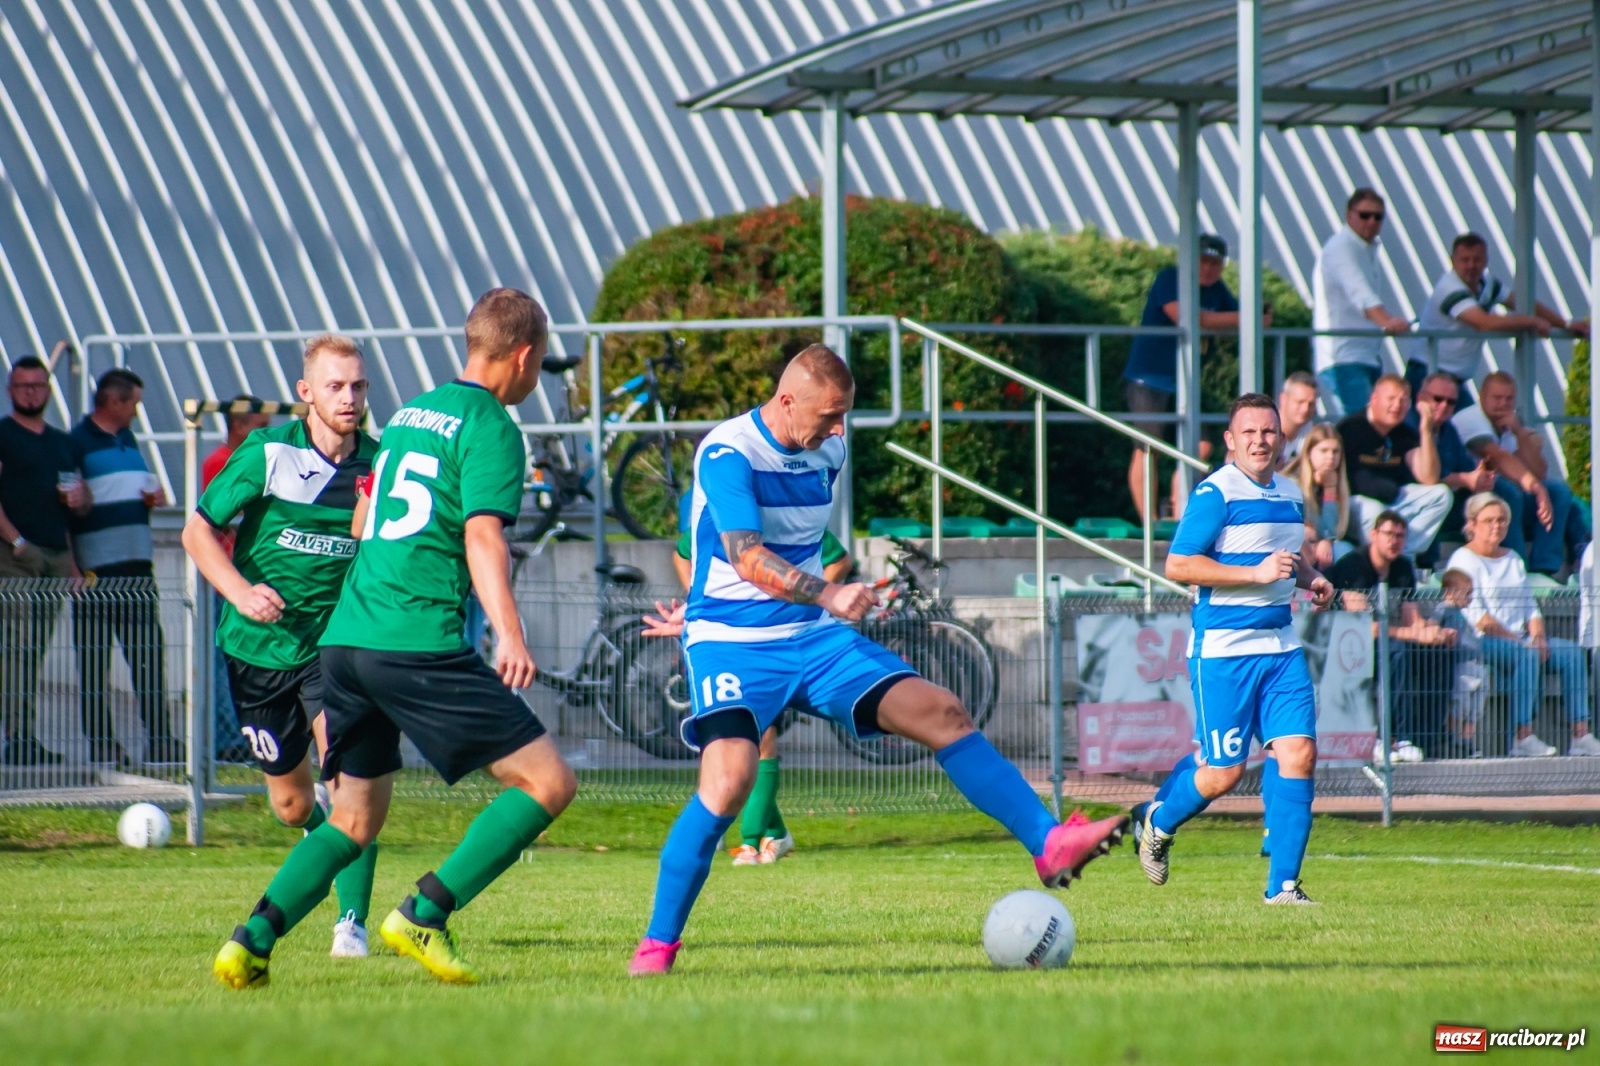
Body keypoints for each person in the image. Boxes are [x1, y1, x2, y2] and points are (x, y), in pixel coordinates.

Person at [629, 344, 1128, 978]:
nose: (840, 430)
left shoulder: (828, 450)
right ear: (786, 402)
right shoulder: (728, 452)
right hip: (732, 641)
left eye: (846, 415)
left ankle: (1050, 843)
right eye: (830, 415)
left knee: (943, 711)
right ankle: (657, 947)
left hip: (812, 636)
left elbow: (801, 543)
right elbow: (746, 556)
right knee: (729, 783)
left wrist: (828, 599)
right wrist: (829, 592)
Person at [212, 287, 578, 990]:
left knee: (351, 817)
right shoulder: (494, 426)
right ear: (525, 357)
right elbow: (481, 535)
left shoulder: (411, 413)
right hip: (414, 638)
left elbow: (368, 520)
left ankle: (251, 939)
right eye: (539, 365)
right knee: (548, 781)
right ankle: (424, 914)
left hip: (344, 641)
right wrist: (510, 632)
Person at [184, 338, 380, 959]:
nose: (348, 398)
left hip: (335, 647)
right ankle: (319, 851)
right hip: (256, 649)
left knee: (352, 786)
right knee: (294, 806)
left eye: (357, 386)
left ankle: (351, 924)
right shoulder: (267, 454)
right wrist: (241, 592)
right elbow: (197, 531)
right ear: (306, 394)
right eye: (334, 387)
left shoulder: (379, 463)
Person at [1135, 393, 1333, 905]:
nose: (1259, 441)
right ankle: (1159, 820)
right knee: (1224, 773)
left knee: (1299, 753)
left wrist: (1312, 579)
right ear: (1230, 440)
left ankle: (1283, 889)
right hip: (1224, 652)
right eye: (1248, 432)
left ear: (1282, 438)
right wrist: (1256, 575)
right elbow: (1178, 565)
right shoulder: (1215, 493)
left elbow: (1288, 558)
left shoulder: (1290, 494)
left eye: (1268, 432)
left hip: (1281, 648)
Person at [671, 500, 854, 867]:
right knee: (728, 744)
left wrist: (810, 598)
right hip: (725, 644)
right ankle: (773, 832)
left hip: (774, 642)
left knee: (762, 736)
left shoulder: (785, 517)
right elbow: (681, 551)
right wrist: (698, 595)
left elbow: (839, 558)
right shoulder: (722, 510)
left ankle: (752, 842)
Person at [70, 368, 174, 766]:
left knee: (149, 654)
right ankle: (102, 741)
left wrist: (153, 498)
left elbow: (136, 491)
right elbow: (67, 506)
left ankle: (161, 738)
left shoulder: (129, 440)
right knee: (94, 658)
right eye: (134, 404)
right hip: (96, 570)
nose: (136, 413)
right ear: (115, 401)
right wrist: (74, 568)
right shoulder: (76, 444)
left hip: (138, 566)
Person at [1444, 493, 1598, 758]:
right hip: (1483, 641)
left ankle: (1580, 735)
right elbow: (1480, 618)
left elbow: (1529, 606)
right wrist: (1522, 642)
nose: (1497, 526)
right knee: (1527, 655)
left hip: (1522, 639)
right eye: (1489, 520)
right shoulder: (1463, 559)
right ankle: (1522, 737)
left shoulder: (1513, 558)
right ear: (1472, 524)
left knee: (1571, 654)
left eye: (1502, 520)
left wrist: (1537, 635)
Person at [1123, 234, 1262, 520]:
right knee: (1148, 448)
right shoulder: (1170, 278)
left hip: (1185, 383)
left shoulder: (1217, 290)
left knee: (1202, 446)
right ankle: (1148, 523)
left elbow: (1244, 317)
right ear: (1190, 260)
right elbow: (1189, 317)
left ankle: (1179, 515)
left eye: (1215, 263)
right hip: (1149, 378)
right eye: (1203, 261)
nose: (1209, 269)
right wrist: (1248, 316)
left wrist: (1251, 316)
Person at [0, 357, 90, 765]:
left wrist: (71, 559)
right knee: (15, 645)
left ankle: (26, 735)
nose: (30, 392)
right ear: (10, 391)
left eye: (37, 385)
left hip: (55, 553)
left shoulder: (62, 442)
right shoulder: (3, 435)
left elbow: (76, 507)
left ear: (48, 391)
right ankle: (15, 735)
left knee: (36, 647)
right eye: (22, 386)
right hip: (16, 555)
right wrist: (16, 540)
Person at [1324, 510, 1456, 763]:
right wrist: (1413, 634)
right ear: (1374, 535)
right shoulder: (1354, 565)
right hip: (1342, 645)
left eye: (1400, 536)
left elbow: (1412, 619)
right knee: (1396, 649)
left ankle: (1424, 739)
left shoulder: (1403, 566)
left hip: (1382, 640)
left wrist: (1433, 632)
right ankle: (1392, 737)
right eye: (1389, 534)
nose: (1394, 541)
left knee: (1440, 653)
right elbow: (1363, 627)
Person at [1409, 233, 1587, 404]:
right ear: (1452, 261)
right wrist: (1530, 322)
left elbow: (1523, 303)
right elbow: (1483, 323)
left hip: (1455, 379)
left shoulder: (1488, 284)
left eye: (1477, 259)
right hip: (1427, 374)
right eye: (1465, 260)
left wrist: (1566, 323)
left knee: (1466, 429)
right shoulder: (1449, 288)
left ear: (1486, 261)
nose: (1471, 265)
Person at [1450, 372, 1585, 577]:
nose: (1503, 403)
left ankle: (1545, 567)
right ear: (1482, 397)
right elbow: (1497, 457)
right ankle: (1518, 567)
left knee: (1559, 491)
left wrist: (1519, 432)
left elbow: (1539, 471)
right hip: (1468, 494)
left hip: (1501, 489)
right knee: (1509, 490)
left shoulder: (1510, 423)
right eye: (1497, 398)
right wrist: (1537, 488)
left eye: (1509, 398)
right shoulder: (1470, 418)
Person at [202, 394, 271, 765]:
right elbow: (225, 511)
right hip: (226, 580)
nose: (267, 433)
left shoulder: (259, 458)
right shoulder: (219, 462)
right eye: (260, 426)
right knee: (220, 662)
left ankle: (246, 736)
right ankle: (227, 740)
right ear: (239, 427)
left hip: (251, 578)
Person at [1312, 188, 1411, 418]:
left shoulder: (1366, 249)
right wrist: (1388, 322)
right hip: (1342, 358)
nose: (1372, 222)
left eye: (1378, 217)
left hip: (1366, 355)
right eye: (1365, 215)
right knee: (1361, 428)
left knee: (1379, 426)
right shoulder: (1340, 248)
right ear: (1349, 215)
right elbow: (1362, 297)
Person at [1337, 374, 1451, 557]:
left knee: (1441, 495)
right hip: (1356, 506)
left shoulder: (1404, 434)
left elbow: (1429, 477)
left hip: (1393, 501)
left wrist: (1426, 430)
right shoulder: (1350, 428)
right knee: (1374, 511)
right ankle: (1382, 557)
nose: (1397, 406)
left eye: (1403, 400)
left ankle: (1402, 554)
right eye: (1391, 399)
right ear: (1374, 399)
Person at [1433, 569, 1485, 758]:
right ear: (1450, 592)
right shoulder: (1444, 609)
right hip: (1462, 666)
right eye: (1466, 593)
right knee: (1459, 704)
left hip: (1476, 665)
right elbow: (1433, 625)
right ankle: (1449, 738)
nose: (1470, 597)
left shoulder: (1462, 614)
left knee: (1474, 708)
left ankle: (1466, 741)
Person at [1284, 423, 1351, 569]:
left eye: (1335, 451)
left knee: (1345, 551)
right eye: (1324, 451)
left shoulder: (1337, 483)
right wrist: (1324, 540)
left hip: (1321, 546)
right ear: (1309, 453)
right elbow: (1308, 530)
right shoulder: (1292, 484)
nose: (1330, 457)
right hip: (1296, 547)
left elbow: (1333, 533)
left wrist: (1330, 490)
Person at [1277, 371, 1320, 468]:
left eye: (1311, 404)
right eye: (1300, 402)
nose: (1305, 409)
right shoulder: (1266, 431)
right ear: (1283, 399)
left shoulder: (1313, 434)